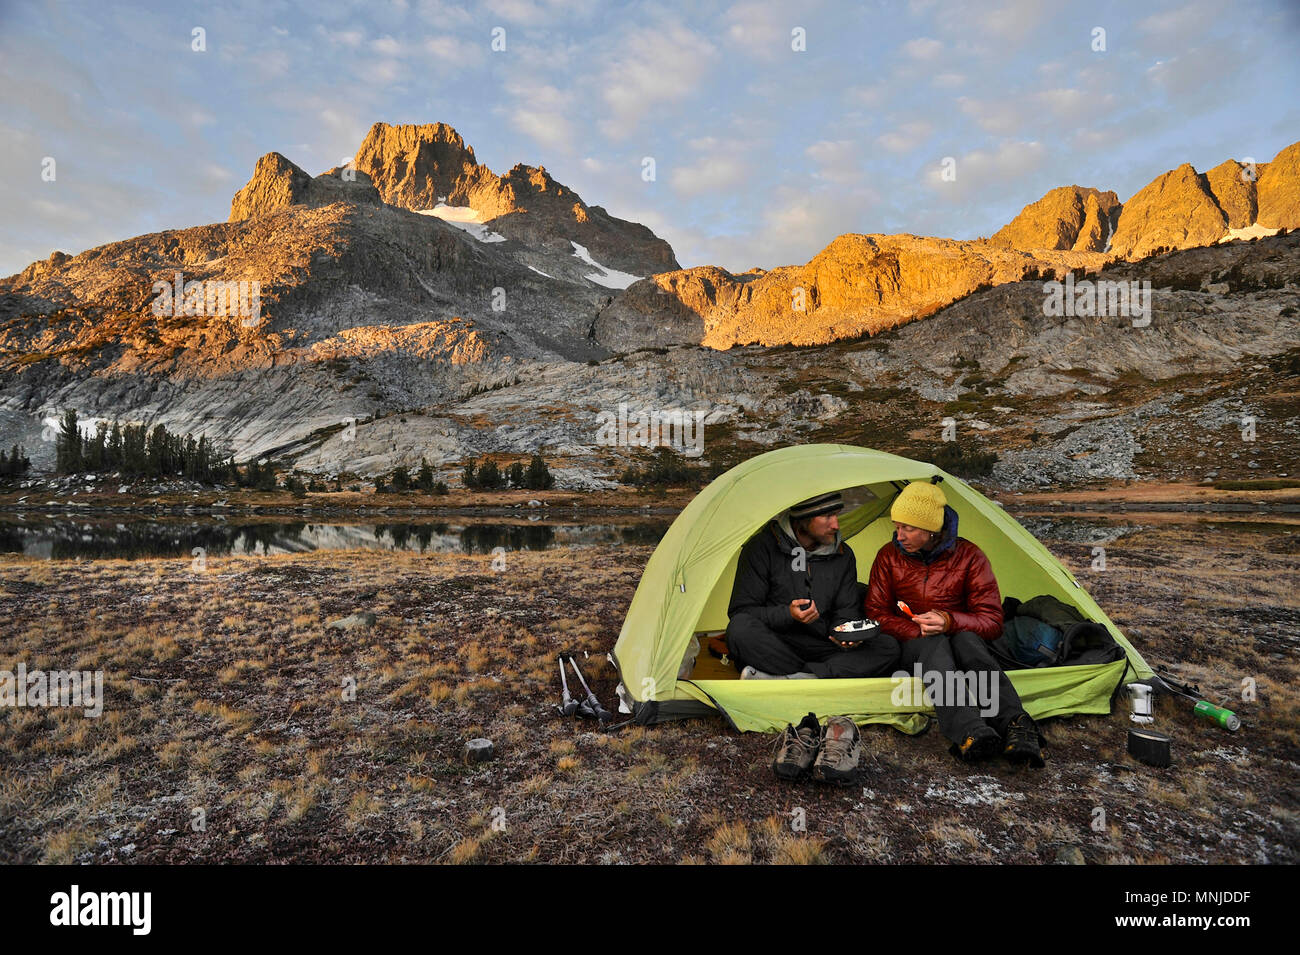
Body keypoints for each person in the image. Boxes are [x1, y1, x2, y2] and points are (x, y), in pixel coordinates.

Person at [865, 480, 1044, 767]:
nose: (899, 536)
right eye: (897, 527)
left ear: (931, 529)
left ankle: (1015, 725)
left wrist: (949, 621)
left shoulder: (970, 557)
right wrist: (917, 629)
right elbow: (875, 612)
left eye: (907, 528)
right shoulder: (888, 556)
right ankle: (970, 730)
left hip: (962, 644)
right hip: (914, 645)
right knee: (935, 643)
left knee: (966, 639)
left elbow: (992, 621)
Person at [725, 490, 901, 680]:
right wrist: (788, 614)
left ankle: (793, 677)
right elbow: (742, 611)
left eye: (836, 515)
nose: (835, 524)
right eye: (827, 516)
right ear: (803, 519)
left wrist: (845, 635)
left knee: (887, 647)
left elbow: (846, 610)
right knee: (739, 629)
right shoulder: (762, 548)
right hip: (777, 642)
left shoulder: (843, 555)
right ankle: (815, 674)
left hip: (823, 644)